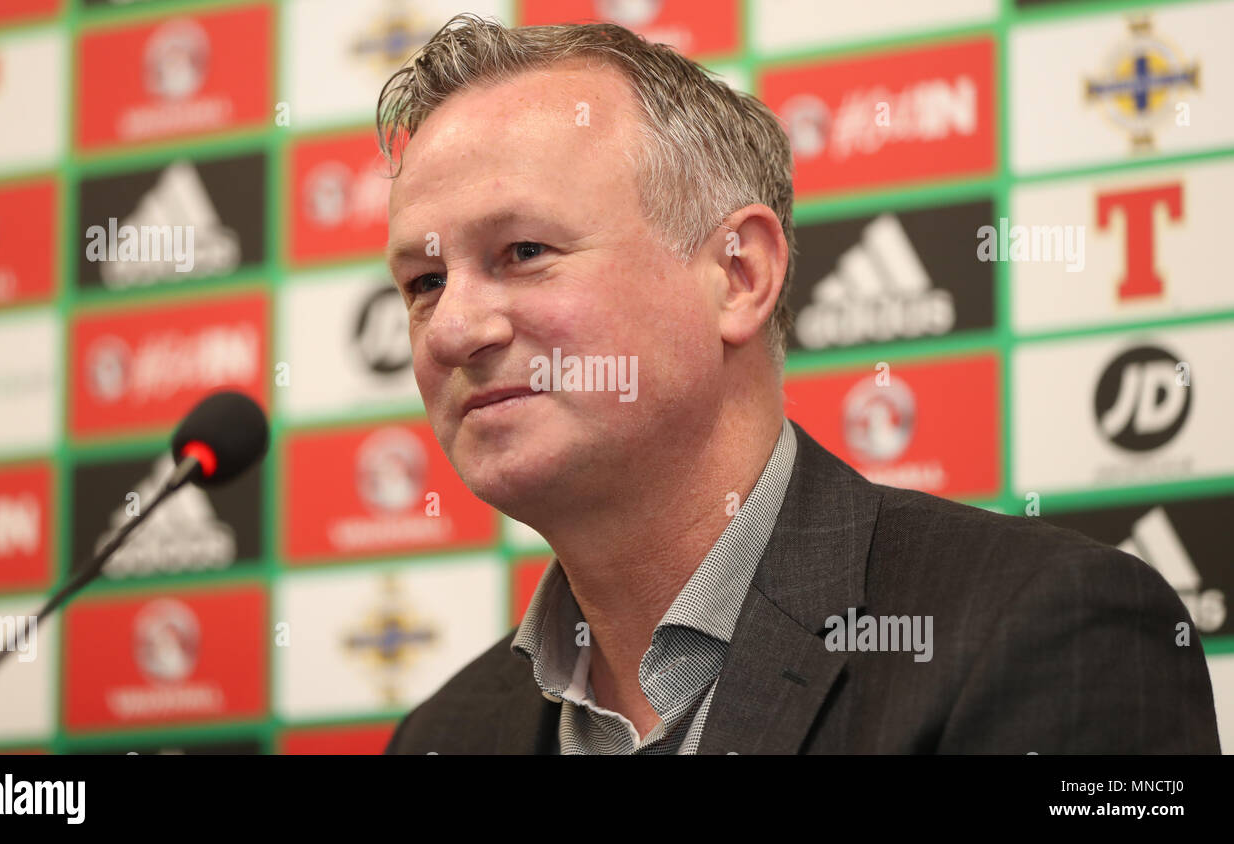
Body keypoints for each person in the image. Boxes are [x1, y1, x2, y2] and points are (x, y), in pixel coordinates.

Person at [377, 14, 1220, 754]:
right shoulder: (442, 735)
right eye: (423, 282)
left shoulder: (1046, 633)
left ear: (738, 275)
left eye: (524, 252)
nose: (452, 329)